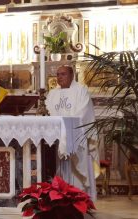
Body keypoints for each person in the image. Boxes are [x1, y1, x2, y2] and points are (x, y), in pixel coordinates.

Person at [46, 65, 99, 201]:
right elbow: (48, 111)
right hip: (57, 139)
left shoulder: (81, 91)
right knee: (58, 166)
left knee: (76, 170)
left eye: (63, 74)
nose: (59, 77)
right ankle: (60, 196)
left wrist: (67, 127)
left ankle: (79, 197)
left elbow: (83, 113)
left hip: (76, 135)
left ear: (72, 75)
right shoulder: (52, 94)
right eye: (58, 74)